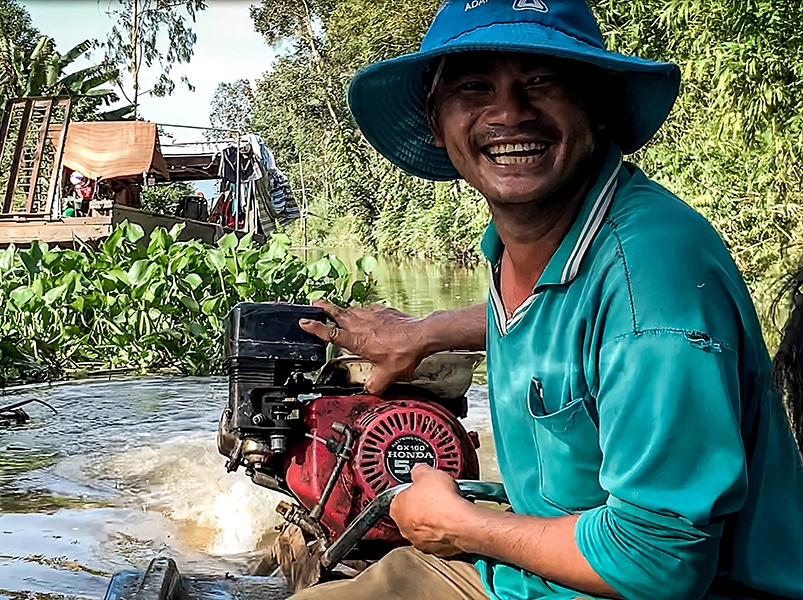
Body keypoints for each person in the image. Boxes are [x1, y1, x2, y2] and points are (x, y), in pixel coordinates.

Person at [294, 1, 803, 599]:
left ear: (597, 107)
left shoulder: (653, 279)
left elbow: (659, 564)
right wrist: (425, 332)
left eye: (543, 80)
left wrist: (462, 524)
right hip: (529, 571)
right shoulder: (526, 245)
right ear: (436, 121)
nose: (509, 112)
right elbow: (562, 324)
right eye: (475, 86)